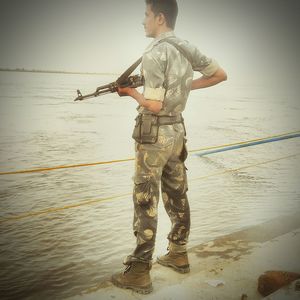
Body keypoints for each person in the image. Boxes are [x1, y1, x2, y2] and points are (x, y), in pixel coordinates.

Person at [112, 0, 227, 294]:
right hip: (177, 130)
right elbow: (219, 74)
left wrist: (131, 93)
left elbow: (154, 104)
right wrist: (184, 87)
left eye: (146, 15)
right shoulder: (187, 47)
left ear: (160, 18)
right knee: (177, 192)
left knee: (145, 197)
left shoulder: (153, 52)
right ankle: (178, 252)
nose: (143, 21)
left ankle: (139, 271)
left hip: (154, 134)